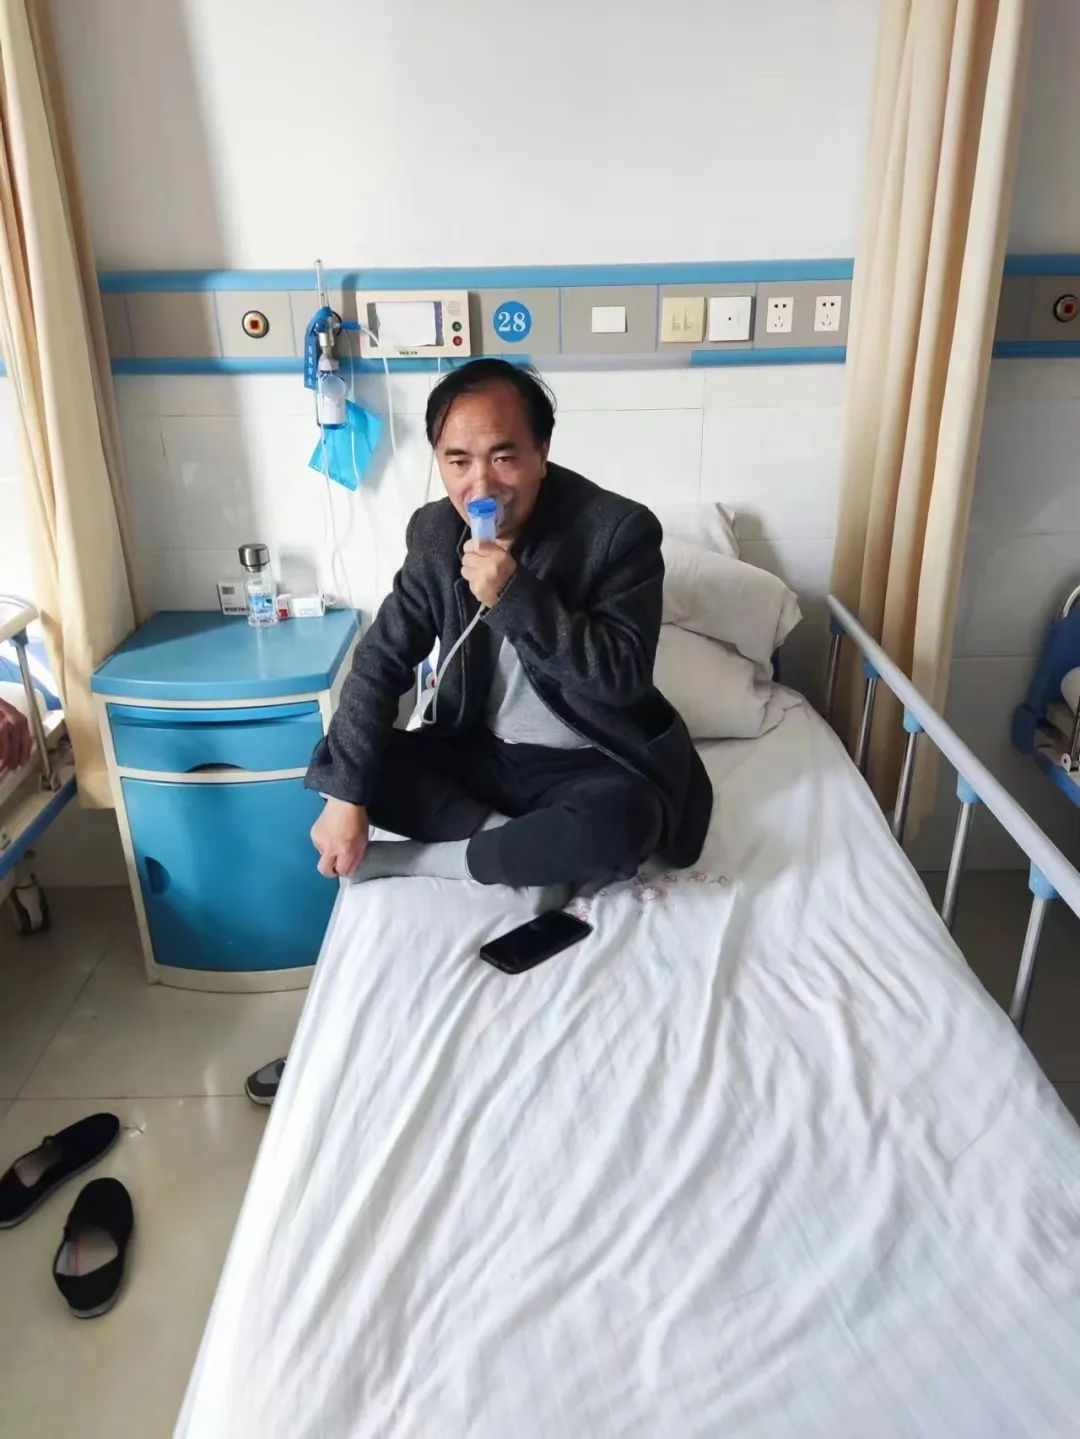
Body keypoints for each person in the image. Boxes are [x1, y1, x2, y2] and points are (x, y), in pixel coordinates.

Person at [245, 358, 710, 1106]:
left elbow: (621, 676)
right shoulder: (436, 534)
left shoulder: (617, 532)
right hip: (484, 756)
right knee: (349, 757)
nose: (480, 484)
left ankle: (426, 860)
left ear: (542, 452)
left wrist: (516, 594)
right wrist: (346, 798)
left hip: (591, 763)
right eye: (457, 461)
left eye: (503, 456)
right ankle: (520, 853)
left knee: (627, 823)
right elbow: (382, 662)